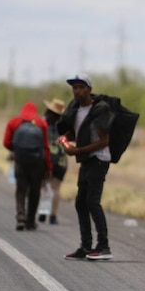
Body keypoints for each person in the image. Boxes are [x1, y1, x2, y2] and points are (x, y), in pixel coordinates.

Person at [56, 74, 114, 260]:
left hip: (99, 158)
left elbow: (104, 140)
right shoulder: (75, 109)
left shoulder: (99, 109)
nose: (77, 91)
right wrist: (65, 140)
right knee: (81, 202)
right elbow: (77, 132)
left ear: (89, 89)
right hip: (87, 159)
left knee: (92, 201)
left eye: (81, 87)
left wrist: (78, 150)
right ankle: (86, 246)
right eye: (75, 88)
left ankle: (103, 247)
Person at [3, 102, 52, 231]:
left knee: (21, 189)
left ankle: (20, 215)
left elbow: (6, 142)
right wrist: (48, 166)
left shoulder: (13, 122)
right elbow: (46, 147)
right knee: (35, 191)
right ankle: (30, 221)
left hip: (20, 161)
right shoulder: (41, 124)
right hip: (38, 164)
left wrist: (17, 151)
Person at [39, 98, 69, 225]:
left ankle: (43, 211)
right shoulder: (65, 125)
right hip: (61, 159)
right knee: (56, 188)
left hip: (47, 156)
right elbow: (67, 142)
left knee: (44, 185)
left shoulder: (43, 123)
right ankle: (53, 216)